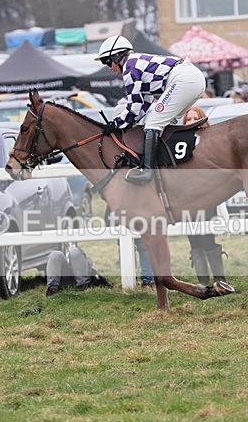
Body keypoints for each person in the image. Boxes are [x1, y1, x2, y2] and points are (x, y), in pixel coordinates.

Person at [95, 35, 206, 185]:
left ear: (117, 56)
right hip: (191, 78)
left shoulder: (129, 66)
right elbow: (142, 106)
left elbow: (134, 105)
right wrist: (123, 122)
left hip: (184, 79)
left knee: (154, 122)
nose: (108, 67)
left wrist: (116, 123)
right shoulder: (136, 64)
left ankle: (148, 171)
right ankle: (168, 162)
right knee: (163, 120)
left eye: (106, 61)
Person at [182, 106, 230, 288]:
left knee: (207, 238)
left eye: (196, 118)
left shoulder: (211, 141)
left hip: (206, 197)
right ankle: (202, 281)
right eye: (188, 118)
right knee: (193, 239)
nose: (192, 121)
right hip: (186, 198)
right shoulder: (180, 141)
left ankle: (220, 279)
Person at [45, 245, 111, 297]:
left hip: (82, 278)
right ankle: (53, 290)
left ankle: (83, 286)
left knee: (75, 252)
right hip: (66, 281)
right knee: (55, 254)